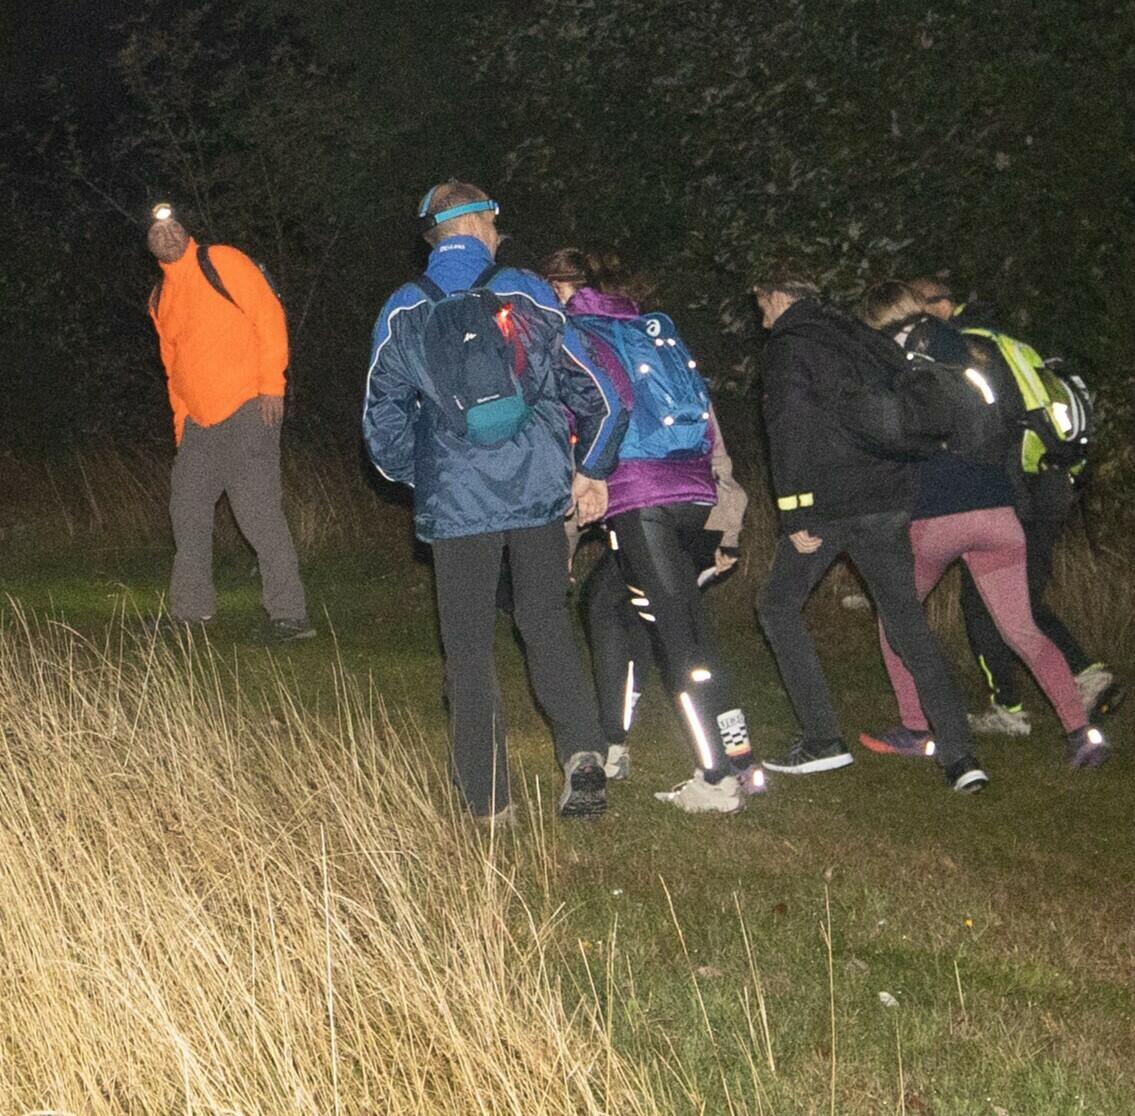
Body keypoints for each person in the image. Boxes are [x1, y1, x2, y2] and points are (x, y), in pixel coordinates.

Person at [363, 180, 627, 823]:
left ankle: (489, 801)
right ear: (482, 222)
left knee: (467, 645)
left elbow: (381, 423)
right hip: (536, 487)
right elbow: (598, 389)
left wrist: (425, 475)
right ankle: (583, 756)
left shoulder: (403, 306)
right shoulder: (526, 289)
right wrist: (590, 468)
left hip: (456, 500)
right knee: (545, 621)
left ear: (432, 234)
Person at [751, 266, 989, 793]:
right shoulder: (857, 333)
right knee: (907, 623)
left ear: (778, 296)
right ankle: (961, 756)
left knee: (777, 605)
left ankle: (822, 740)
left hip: (831, 503)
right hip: (886, 499)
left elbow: (788, 428)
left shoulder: (791, 345)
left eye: (761, 301)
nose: (760, 313)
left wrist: (794, 512)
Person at [539, 244, 756, 814]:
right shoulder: (654, 329)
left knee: (681, 640)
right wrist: (727, 520)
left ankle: (719, 777)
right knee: (607, 601)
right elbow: (709, 424)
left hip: (641, 499)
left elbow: (573, 438)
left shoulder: (573, 335)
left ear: (562, 286)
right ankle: (622, 743)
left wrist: (562, 539)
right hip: (695, 495)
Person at [859, 281, 1109, 767]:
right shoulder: (972, 349)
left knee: (896, 619)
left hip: (937, 515)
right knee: (1022, 629)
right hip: (998, 511)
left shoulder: (895, 359)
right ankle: (1081, 733)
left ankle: (915, 727)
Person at [145, 204, 312, 640]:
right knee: (186, 511)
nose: (167, 234)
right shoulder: (159, 298)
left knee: (256, 512)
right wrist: (181, 426)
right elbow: (173, 368)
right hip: (199, 424)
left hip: (248, 408)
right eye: (157, 231)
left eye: (174, 226)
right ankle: (190, 612)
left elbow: (268, 316)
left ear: (187, 231)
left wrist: (272, 385)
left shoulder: (221, 261)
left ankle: (289, 615)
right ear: (148, 244)